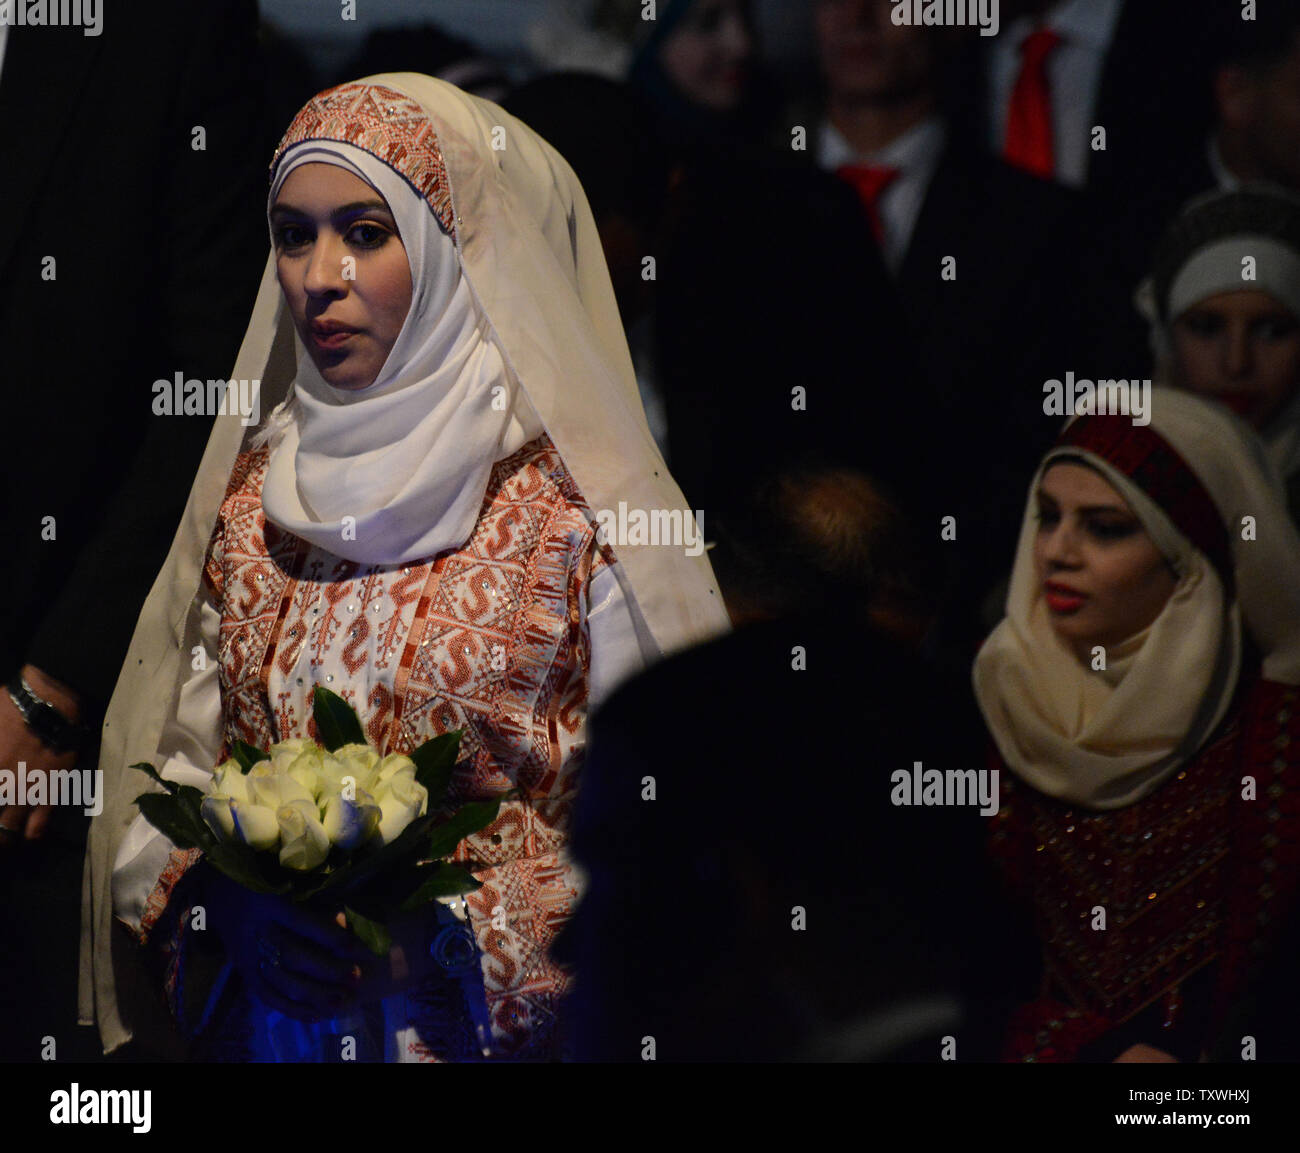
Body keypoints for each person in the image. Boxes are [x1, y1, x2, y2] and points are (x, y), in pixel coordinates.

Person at [81, 73, 730, 1061]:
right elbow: (172, 775)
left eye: (365, 231)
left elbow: (681, 824)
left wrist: (449, 939)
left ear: (456, 245)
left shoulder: (590, 511)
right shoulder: (255, 499)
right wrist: (230, 911)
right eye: (293, 234)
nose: (318, 274)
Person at [973, 390, 1300, 1062]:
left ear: (1187, 557)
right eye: (1047, 516)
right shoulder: (994, 703)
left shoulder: (1276, 742)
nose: (1057, 551)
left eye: (1106, 526)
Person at [1137, 185, 1300, 526]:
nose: (1237, 363)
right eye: (1206, 327)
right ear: (1165, 337)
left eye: (1272, 331)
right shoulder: (1103, 488)